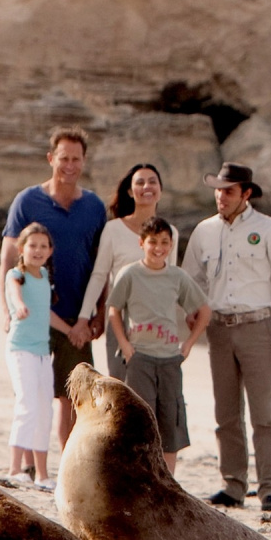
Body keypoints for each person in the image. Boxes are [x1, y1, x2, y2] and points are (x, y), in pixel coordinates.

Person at [183, 162, 271, 512]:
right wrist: (191, 311)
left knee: (265, 413)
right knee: (226, 414)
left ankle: (270, 488)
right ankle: (233, 485)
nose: (221, 197)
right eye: (218, 190)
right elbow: (191, 278)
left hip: (257, 327)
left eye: (229, 191)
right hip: (218, 329)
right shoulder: (204, 231)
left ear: (246, 194)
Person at [0, 128, 108, 449]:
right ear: (51, 158)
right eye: (64, 158)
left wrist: (97, 314)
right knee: (32, 393)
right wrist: (7, 309)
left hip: (76, 319)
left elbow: (102, 267)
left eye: (76, 159)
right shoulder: (27, 200)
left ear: (84, 162)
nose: (70, 165)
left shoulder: (94, 207)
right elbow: (7, 259)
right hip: (32, 315)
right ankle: (30, 466)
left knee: (72, 398)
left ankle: (67, 465)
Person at [107, 216, 210, 475]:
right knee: (141, 419)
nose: (158, 247)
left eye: (165, 242)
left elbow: (204, 310)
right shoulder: (130, 274)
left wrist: (187, 345)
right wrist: (125, 346)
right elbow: (114, 310)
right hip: (139, 357)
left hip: (169, 359)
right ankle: (140, 476)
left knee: (170, 419)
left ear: (172, 245)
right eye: (153, 242)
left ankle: (168, 479)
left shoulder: (177, 276)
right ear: (142, 243)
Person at [80, 163, 178, 380]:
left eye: (152, 182)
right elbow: (99, 275)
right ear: (129, 191)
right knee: (121, 388)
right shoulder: (113, 229)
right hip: (120, 320)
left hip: (157, 324)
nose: (146, 187)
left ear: (160, 190)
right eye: (140, 182)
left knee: (152, 394)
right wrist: (84, 317)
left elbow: (170, 281)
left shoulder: (171, 233)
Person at [3, 223, 64, 489]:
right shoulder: (17, 275)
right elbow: (15, 293)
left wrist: (71, 330)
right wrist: (19, 306)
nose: (38, 250)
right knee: (26, 404)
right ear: (22, 248)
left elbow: (47, 314)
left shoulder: (44, 280)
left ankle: (42, 474)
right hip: (20, 349)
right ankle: (15, 468)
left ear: (50, 251)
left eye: (43, 246)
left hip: (42, 353)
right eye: (32, 245)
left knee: (44, 410)